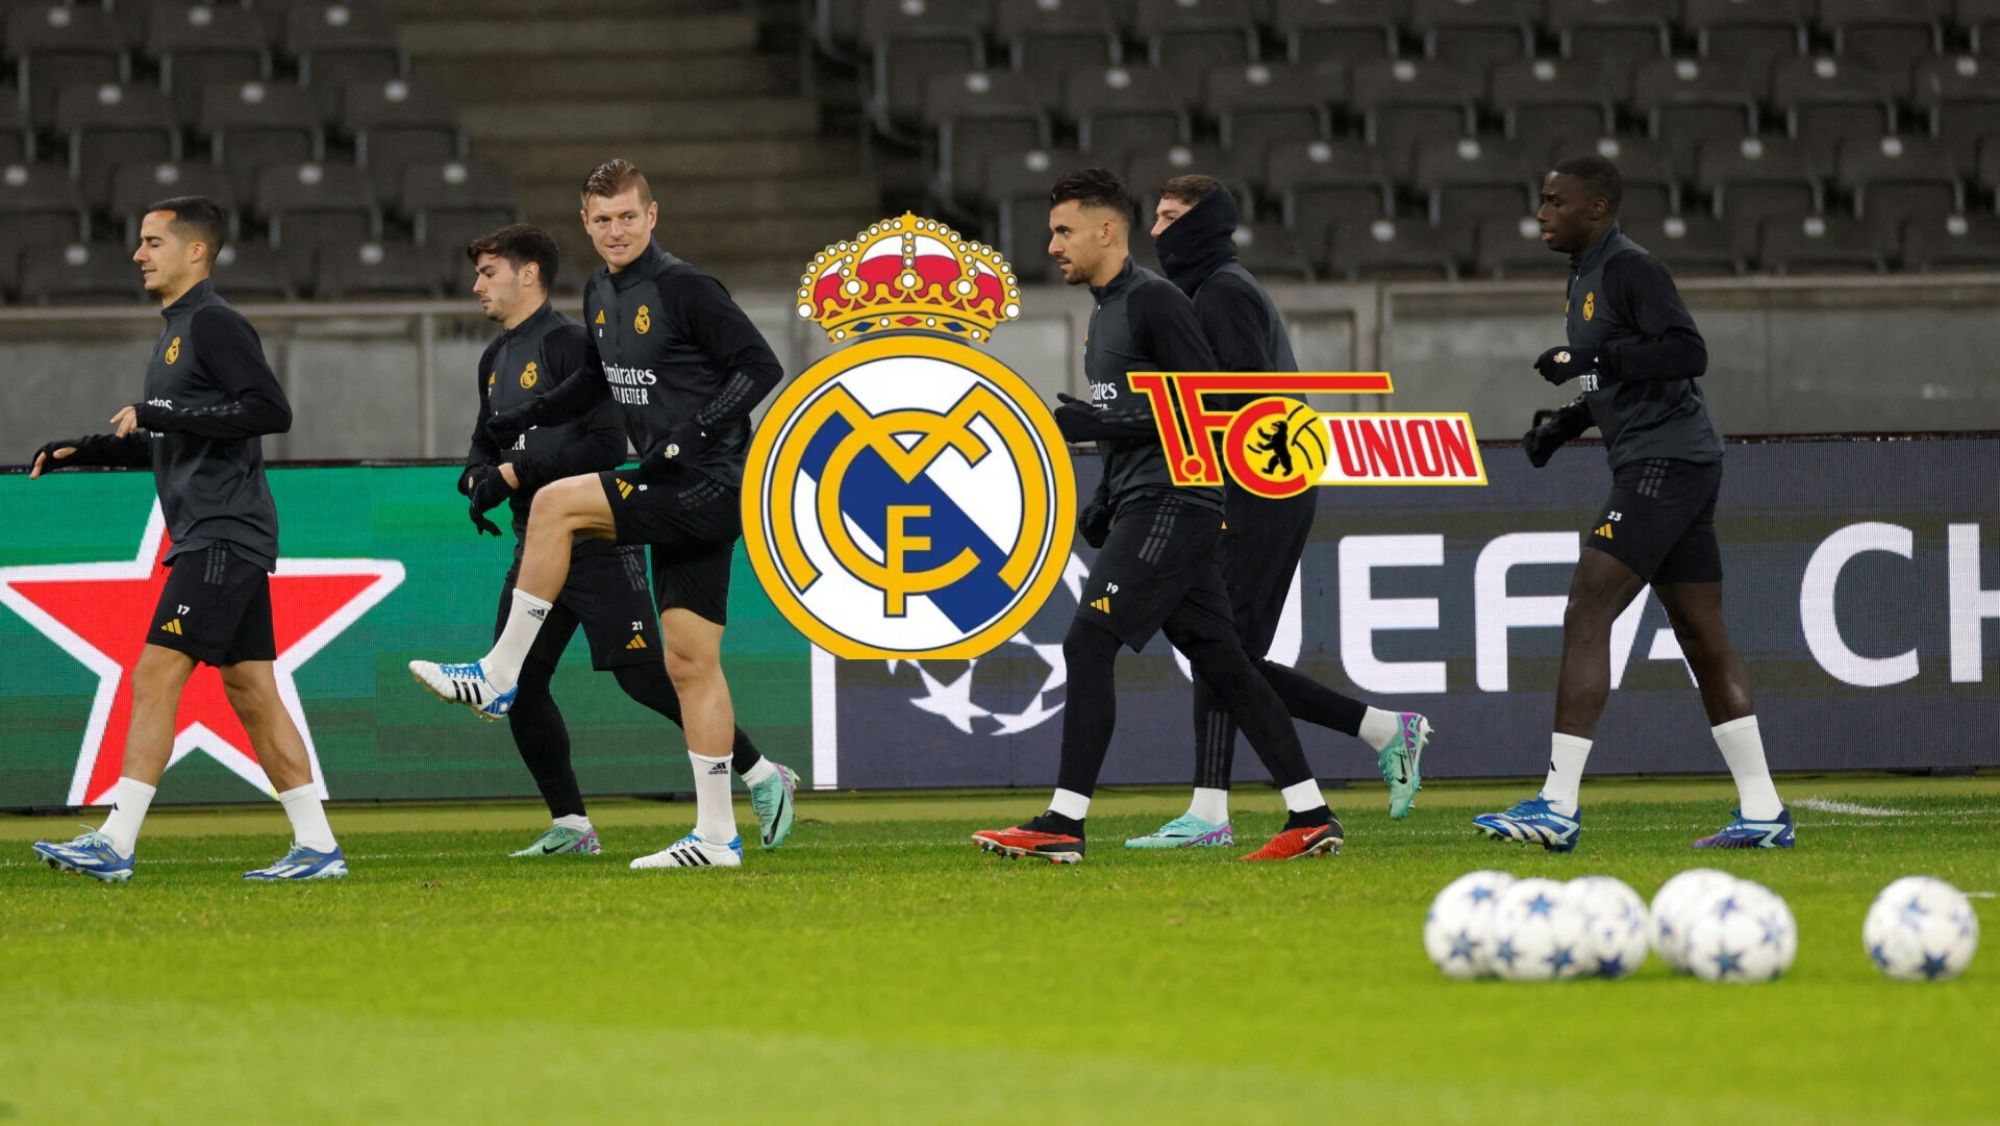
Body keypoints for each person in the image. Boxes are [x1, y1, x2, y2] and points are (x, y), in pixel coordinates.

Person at [411, 160, 791, 870]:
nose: (616, 230)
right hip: (681, 490)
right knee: (688, 665)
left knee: (556, 503)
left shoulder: (684, 287)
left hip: (704, 481)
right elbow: (595, 379)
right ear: (585, 224)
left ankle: (497, 673)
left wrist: (693, 432)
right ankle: (717, 836)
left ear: (653, 217)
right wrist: (528, 413)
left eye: (628, 216)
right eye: (603, 218)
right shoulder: (598, 292)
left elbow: (759, 367)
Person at [971, 169, 1347, 864]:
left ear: (1105, 230)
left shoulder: (1157, 302)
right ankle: (1311, 813)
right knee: (1227, 665)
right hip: (1150, 501)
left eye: (1063, 231)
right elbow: (1144, 414)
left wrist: (1104, 423)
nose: (1052, 246)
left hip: (1176, 501)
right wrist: (1106, 494)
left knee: (1088, 645)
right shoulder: (1104, 314)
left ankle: (1064, 822)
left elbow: (1216, 407)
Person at [1474, 154, 1792, 852]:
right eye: (1541, 199)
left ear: (1597, 208)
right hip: (1676, 458)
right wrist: (1565, 423)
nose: (1541, 212)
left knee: (1589, 603)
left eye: (1555, 201)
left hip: (1665, 461)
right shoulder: (1585, 275)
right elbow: (1622, 369)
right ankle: (1765, 813)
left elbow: (1686, 351)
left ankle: (1556, 806)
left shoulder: (1630, 269)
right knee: (1702, 635)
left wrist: (1587, 364)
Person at [28, 196, 344, 881]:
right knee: (253, 691)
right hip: (216, 532)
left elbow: (270, 410)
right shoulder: (177, 333)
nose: (139, 254)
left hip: (223, 533)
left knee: (152, 674)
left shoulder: (214, 324)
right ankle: (317, 846)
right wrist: (83, 450)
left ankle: (116, 840)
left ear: (195, 250)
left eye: (152, 241)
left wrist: (162, 409)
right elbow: (174, 438)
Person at [1124, 175, 1434, 851]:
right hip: (1260, 485)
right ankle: (1379, 730)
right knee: (1227, 654)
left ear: (1203, 223)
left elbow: (1238, 403)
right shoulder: (1213, 289)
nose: (1155, 229)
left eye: (1170, 216)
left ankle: (1212, 815)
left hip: (1259, 489)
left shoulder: (1222, 293)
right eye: (1154, 214)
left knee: (1219, 650)